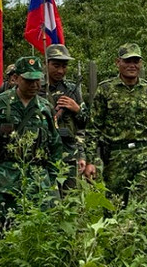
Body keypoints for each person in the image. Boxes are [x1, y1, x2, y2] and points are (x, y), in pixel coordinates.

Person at [0, 56, 63, 239]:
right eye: (28, 80)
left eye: (37, 80)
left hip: (37, 178)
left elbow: (55, 143)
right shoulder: (1, 103)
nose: (34, 85)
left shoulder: (45, 107)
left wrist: (50, 177)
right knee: (1, 229)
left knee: (38, 230)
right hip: (6, 177)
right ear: (16, 78)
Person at [86, 43, 147, 210]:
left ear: (141, 63)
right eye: (127, 61)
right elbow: (93, 127)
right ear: (118, 62)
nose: (132, 65)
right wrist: (90, 161)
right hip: (116, 156)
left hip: (143, 154)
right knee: (114, 206)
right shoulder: (105, 89)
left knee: (146, 208)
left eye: (136, 61)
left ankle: (144, 227)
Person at [39, 44, 89, 191]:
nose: (61, 70)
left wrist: (77, 109)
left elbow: (85, 124)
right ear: (46, 63)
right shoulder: (35, 88)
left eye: (64, 66)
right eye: (56, 66)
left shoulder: (71, 89)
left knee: (70, 197)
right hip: (41, 154)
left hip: (68, 154)